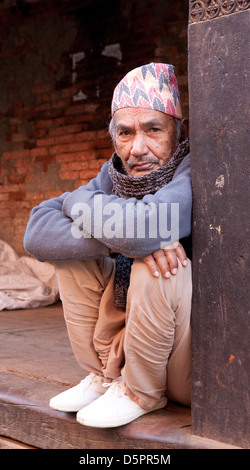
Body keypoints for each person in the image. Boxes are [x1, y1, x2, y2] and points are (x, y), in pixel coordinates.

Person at [24, 62, 192, 428]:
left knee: (158, 259)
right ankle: (105, 377)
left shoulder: (192, 172)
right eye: (125, 133)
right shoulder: (113, 175)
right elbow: (37, 232)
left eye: (153, 130)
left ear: (178, 133)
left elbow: (146, 231)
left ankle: (141, 393)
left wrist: (75, 204)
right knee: (71, 258)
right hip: (120, 348)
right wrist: (120, 239)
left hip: (188, 369)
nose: (138, 148)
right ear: (113, 138)